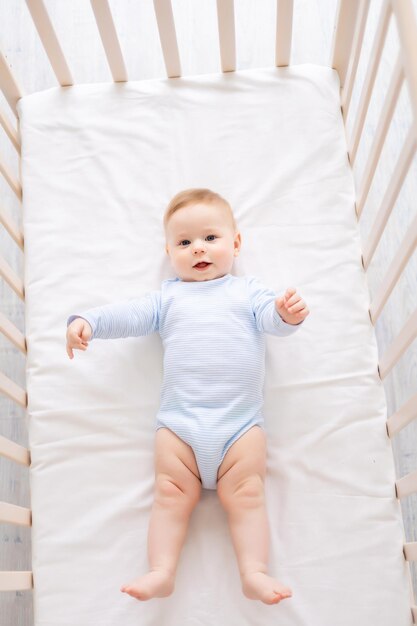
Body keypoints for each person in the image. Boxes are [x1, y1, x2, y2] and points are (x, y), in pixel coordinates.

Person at [66, 188, 309, 605]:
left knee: (248, 493)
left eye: (210, 238)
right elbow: (129, 315)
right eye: (184, 242)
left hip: (240, 427)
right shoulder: (169, 297)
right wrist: (88, 321)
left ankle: (254, 572)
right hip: (180, 427)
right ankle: (162, 570)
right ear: (169, 251)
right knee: (169, 493)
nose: (198, 248)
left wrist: (286, 315)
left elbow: (273, 320)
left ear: (235, 243)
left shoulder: (247, 292)